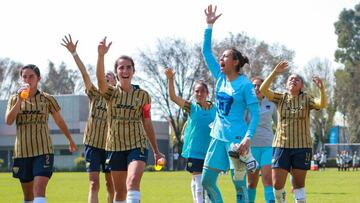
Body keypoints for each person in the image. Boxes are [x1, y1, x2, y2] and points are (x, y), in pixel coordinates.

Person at [201, 5, 260, 203]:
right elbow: (206, 52)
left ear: (235, 62)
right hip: (217, 137)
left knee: (239, 186)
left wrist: (247, 139)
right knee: (206, 181)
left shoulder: (245, 85)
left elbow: (256, 114)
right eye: (221, 57)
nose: (221, 59)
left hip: (237, 140)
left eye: (225, 56)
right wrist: (209, 25)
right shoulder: (219, 77)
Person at [96, 37, 165, 203]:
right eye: (121, 68)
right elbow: (99, 81)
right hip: (114, 146)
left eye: (128, 67)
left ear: (133, 71)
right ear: (117, 72)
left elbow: (147, 122)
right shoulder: (110, 93)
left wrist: (156, 150)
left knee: (132, 181)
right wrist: (101, 56)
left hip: (137, 145)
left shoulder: (143, 95)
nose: (125, 70)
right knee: (120, 193)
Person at [5, 64, 77, 203]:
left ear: (38, 78)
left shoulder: (47, 99)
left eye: (31, 76)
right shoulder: (14, 99)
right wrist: (20, 100)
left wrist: (70, 139)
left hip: (43, 151)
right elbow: (8, 121)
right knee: (28, 197)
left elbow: (60, 121)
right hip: (22, 152)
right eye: (24, 77)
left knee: (39, 190)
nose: (28, 80)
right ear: (21, 79)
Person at [259, 61, 327, 203]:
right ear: (286, 84)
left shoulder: (306, 98)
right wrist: (275, 72)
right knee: (277, 185)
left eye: (297, 79)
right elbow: (263, 89)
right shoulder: (280, 97)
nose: (293, 80)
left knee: (299, 185)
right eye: (290, 79)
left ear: (301, 85)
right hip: (281, 146)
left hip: (302, 147)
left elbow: (322, 104)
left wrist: (321, 89)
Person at [61, 35, 115, 203]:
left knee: (110, 185)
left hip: (111, 145)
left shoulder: (117, 97)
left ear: (115, 81)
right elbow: (84, 73)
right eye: (104, 75)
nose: (106, 77)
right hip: (92, 144)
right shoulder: (94, 93)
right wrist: (74, 53)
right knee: (93, 184)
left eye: (110, 76)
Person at [165, 67, 216, 203]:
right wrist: (170, 79)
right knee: (199, 181)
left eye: (202, 91)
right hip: (195, 151)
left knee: (206, 182)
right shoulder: (191, 107)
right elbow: (173, 97)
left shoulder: (215, 108)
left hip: (210, 151)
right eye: (197, 91)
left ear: (207, 93)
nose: (199, 94)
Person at [246, 77, 277, 203]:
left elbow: (280, 124)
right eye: (254, 85)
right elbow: (241, 125)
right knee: (251, 183)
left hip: (268, 146)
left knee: (267, 179)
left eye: (260, 85)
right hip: (251, 148)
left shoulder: (271, 103)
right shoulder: (246, 104)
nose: (257, 88)